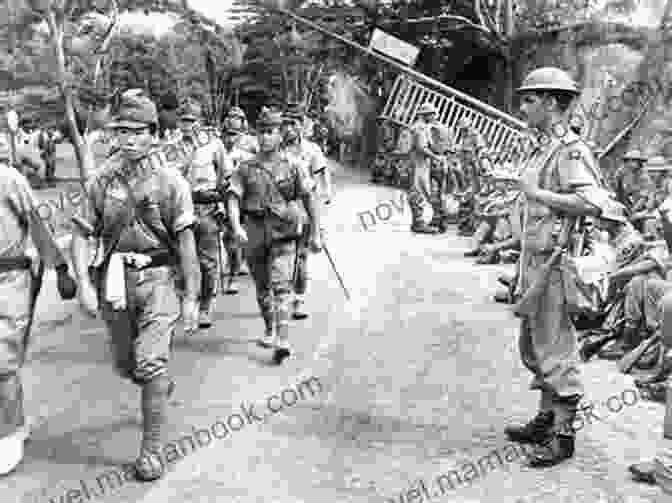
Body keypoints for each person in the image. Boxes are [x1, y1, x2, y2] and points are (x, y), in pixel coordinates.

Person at [70, 89, 200, 481]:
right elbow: (80, 233)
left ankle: (152, 451)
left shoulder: (170, 181)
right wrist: (82, 284)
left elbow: (186, 242)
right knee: (128, 365)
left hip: (158, 278)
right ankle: (157, 382)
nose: (127, 139)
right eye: (121, 131)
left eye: (136, 131)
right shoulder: (101, 181)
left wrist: (191, 297)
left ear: (154, 133)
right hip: (113, 281)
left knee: (149, 362)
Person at [504, 67, 603, 467]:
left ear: (551, 103)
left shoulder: (570, 150)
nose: (524, 107)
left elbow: (593, 202)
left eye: (530, 100)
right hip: (534, 263)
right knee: (534, 346)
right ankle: (545, 419)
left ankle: (563, 437)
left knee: (556, 348)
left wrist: (537, 193)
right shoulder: (544, 148)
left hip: (555, 265)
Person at [226, 109, 321, 362]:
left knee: (281, 287)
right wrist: (236, 226)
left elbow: (310, 198)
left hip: (284, 232)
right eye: (262, 132)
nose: (266, 137)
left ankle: (283, 338)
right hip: (255, 230)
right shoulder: (245, 168)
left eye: (271, 132)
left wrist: (316, 233)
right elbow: (233, 198)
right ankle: (269, 328)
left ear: (280, 135)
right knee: (262, 288)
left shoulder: (295, 166)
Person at [173, 101, 228, 328]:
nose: (187, 125)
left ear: (200, 122)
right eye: (183, 120)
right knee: (177, 261)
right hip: (177, 211)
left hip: (205, 207)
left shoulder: (214, 146)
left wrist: (223, 205)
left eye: (191, 121)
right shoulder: (169, 148)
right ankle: (184, 303)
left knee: (207, 263)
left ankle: (205, 306)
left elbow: (226, 177)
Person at [282, 102, 331, 320]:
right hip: (278, 213)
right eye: (285, 124)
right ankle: (279, 297)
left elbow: (320, 182)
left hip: (303, 211)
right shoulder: (274, 149)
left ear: (301, 125)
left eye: (293, 123)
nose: (288, 129)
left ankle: (298, 298)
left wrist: (318, 225)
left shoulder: (312, 150)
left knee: (301, 257)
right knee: (279, 259)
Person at [221, 123, 255, 294]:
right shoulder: (214, 153)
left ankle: (233, 276)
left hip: (238, 201)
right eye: (227, 134)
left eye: (233, 134)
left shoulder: (244, 156)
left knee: (233, 238)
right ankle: (233, 262)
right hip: (219, 200)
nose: (230, 138)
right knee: (227, 240)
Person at [407, 103, 445, 234]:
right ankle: (418, 223)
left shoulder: (424, 127)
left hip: (421, 163)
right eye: (432, 114)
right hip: (418, 163)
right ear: (425, 115)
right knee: (417, 192)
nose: (434, 117)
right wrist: (436, 157)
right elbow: (421, 148)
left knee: (421, 192)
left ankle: (418, 222)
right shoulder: (419, 128)